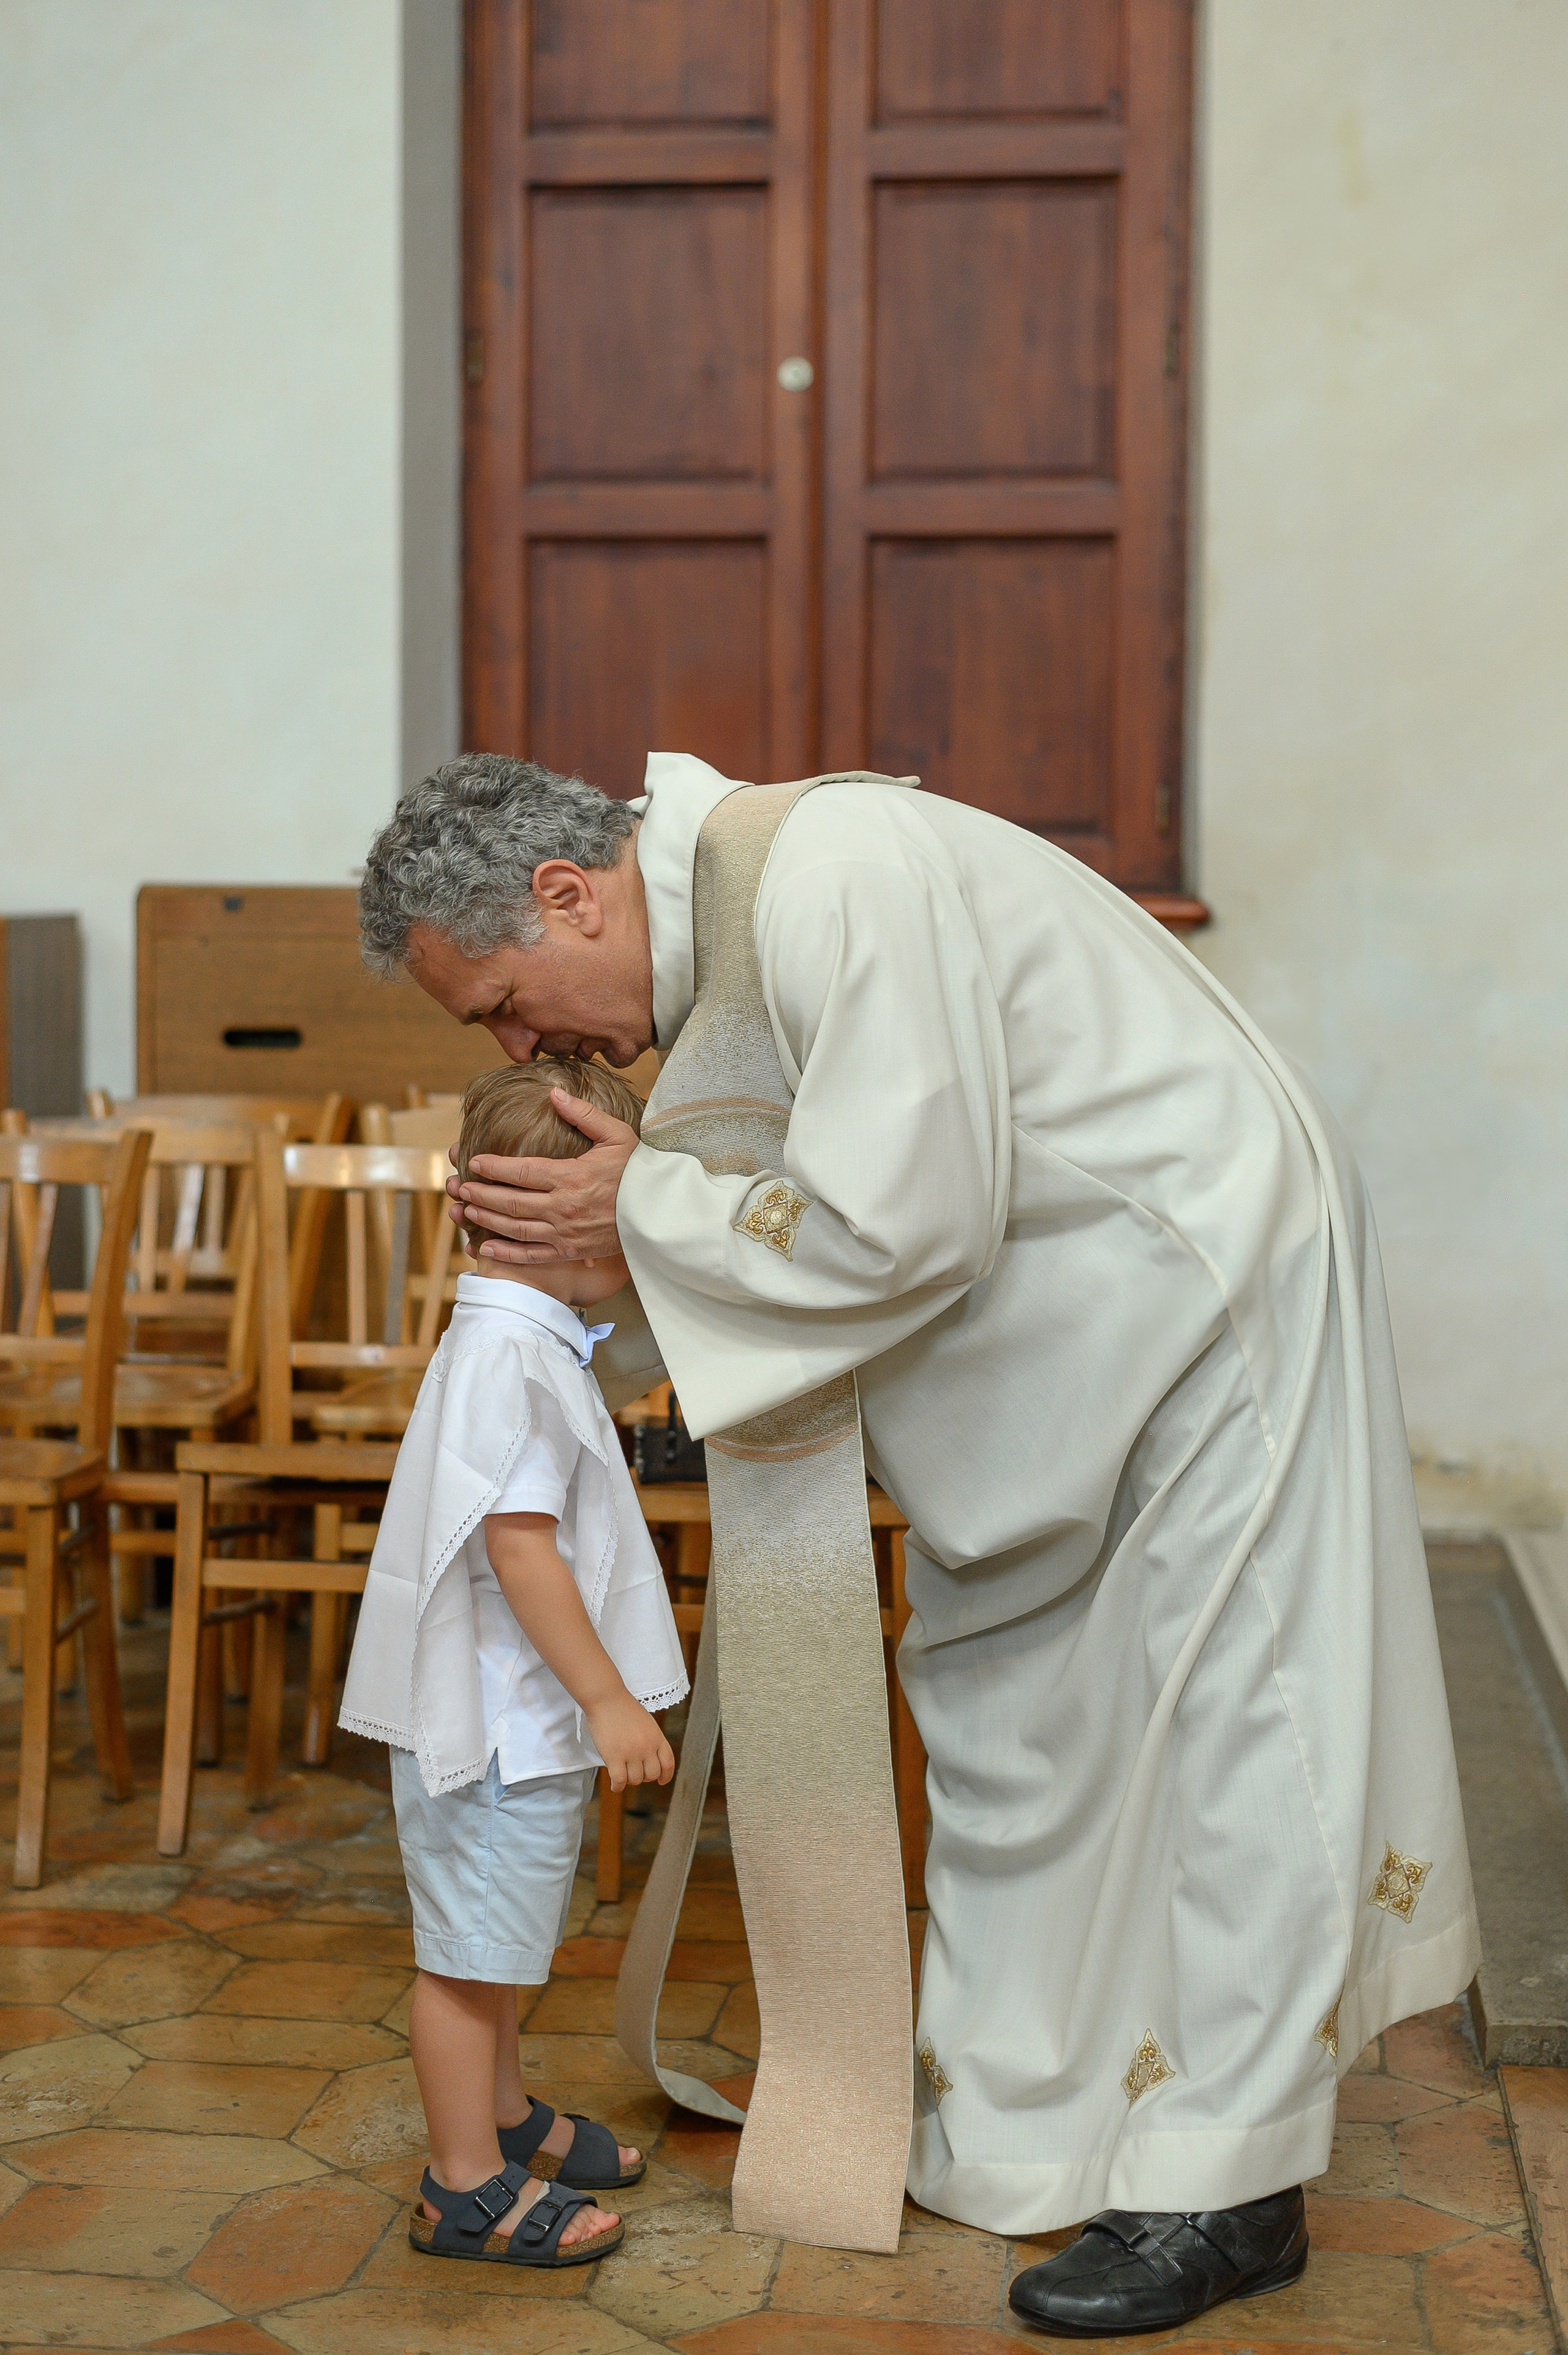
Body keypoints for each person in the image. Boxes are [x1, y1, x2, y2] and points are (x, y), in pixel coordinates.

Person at [355, 750, 1479, 2334]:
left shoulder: (831, 871)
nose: (521, 1043)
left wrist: (649, 1214)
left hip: (1203, 1288)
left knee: (1233, 1717)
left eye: (499, 1005)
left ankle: (1230, 2180)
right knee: (1009, 1706)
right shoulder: (736, 943)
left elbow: (907, 1213)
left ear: (566, 893)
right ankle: (1035, 2118)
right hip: (1062, 1347)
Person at [338, 1056, 689, 2273]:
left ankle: (499, 2111)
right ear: (557, 1226)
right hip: (493, 1725)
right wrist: (604, 1695)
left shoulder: (525, 1337)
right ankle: (463, 2184)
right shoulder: (511, 1359)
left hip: (499, 1723)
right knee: (464, 1957)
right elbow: (519, 1543)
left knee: (492, 1943)